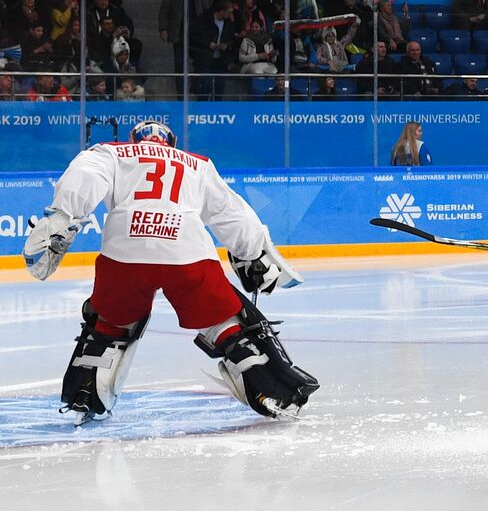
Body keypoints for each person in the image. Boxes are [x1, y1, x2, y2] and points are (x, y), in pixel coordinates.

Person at [23, 121, 317, 424]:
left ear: (134, 139)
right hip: (187, 251)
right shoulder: (197, 164)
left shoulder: (113, 152)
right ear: (171, 142)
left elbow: (84, 175)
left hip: (125, 251)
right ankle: (273, 388)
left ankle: (86, 395)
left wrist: (61, 217)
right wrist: (253, 253)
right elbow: (232, 214)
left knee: (111, 323)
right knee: (227, 323)